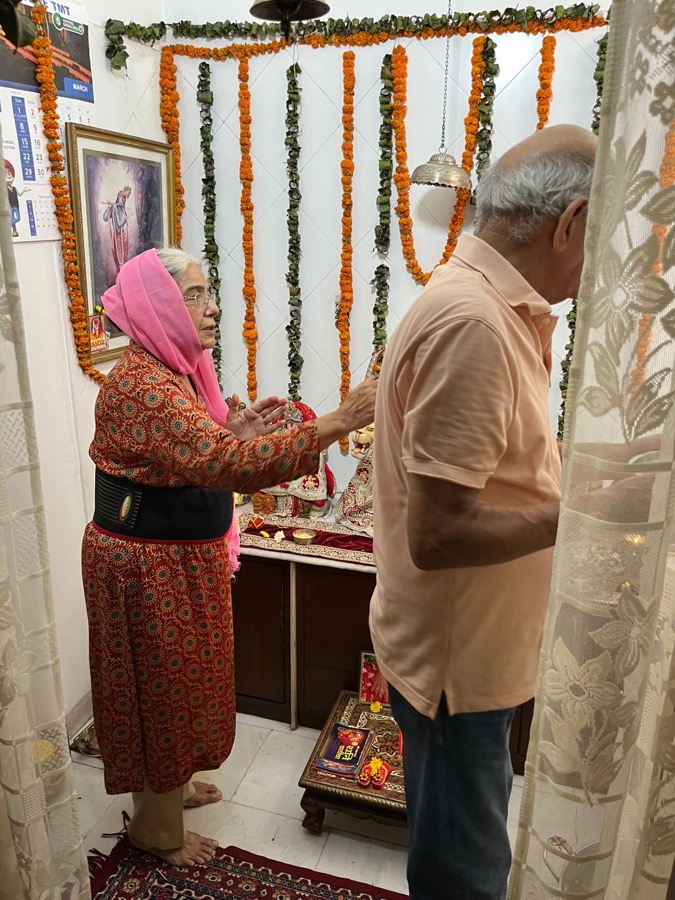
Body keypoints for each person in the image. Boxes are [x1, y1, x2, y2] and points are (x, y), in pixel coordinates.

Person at [82, 247, 376, 867]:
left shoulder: (177, 371)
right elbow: (230, 467)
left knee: (184, 683)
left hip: (174, 559)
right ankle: (154, 829)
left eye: (208, 292)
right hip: (145, 568)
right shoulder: (144, 385)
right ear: (159, 306)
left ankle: (177, 786)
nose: (213, 306)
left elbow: (208, 450)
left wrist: (236, 429)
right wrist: (342, 418)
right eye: (195, 295)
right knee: (162, 690)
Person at [369, 124, 598, 900]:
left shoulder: (491, 308)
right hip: (455, 670)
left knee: (466, 845)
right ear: (568, 223)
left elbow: (498, 470)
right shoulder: (473, 321)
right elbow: (437, 534)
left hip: (473, 657)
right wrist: (583, 515)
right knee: (465, 873)